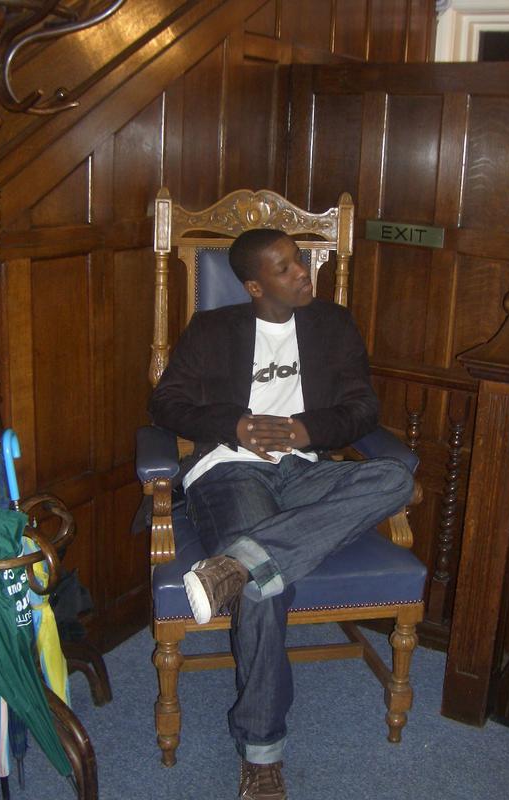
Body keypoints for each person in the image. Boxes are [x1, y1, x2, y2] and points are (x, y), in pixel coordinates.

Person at [149, 228, 414, 800]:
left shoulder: (332, 324)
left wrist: (303, 431)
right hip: (231, 469)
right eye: (287, 267)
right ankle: (262, 754)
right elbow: (165, 403)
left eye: (300, 261)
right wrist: (236, 426)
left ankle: (241, 561)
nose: (303, 272)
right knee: (263, 588)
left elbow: (363, 407)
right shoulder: (212, 329)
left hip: (306, 467)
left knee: (396, 477)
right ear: (254, 285)